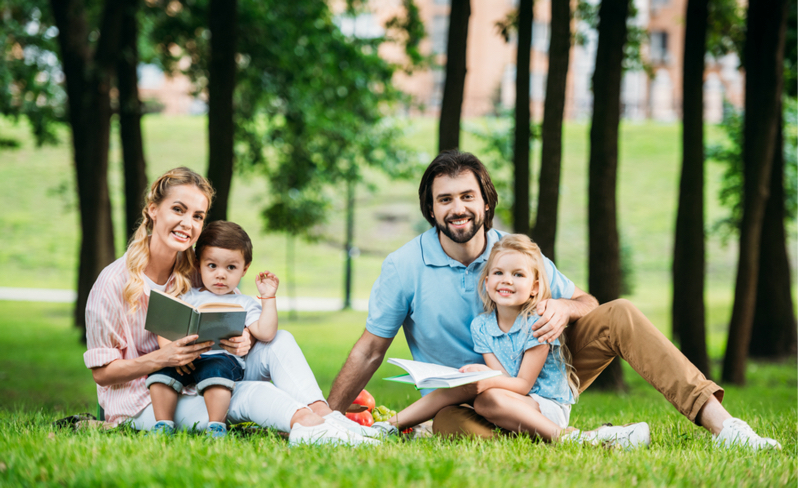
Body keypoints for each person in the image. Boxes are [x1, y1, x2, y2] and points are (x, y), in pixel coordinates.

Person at [328, 150, 781, 450]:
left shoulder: (516, 254)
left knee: (619, 312)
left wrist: (565, 307)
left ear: (486, 202)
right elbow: (371, 348)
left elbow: (585, 300)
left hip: (538, 375)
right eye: (444, 199)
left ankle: (727, 428)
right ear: (431, 210)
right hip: (464, 399)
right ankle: (588, 439)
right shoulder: (404, 266)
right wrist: (329, 417)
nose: (457, 207)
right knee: (452, 426)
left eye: (468, 195)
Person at [84, 167, 377, 446]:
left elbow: (234, 313)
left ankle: (324, 415)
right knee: (251, 393)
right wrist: (163, 358)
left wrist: (245, 337)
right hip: (147, 400)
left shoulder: (196, 268)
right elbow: (102, 373)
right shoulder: (113, 282)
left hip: (207, 372)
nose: (188, 223)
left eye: (198, 216)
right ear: (152, 209)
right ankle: (311, 428)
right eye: (178, 209)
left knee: (280, 340)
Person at [373, 234, 650, 449]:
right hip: (513, 400)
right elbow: (504, 378)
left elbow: (523, 384)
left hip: (545, 404)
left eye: (518, 275)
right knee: (464, 396)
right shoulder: (481, 326)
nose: (507, 281)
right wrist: (483, 378)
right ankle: (388, 426)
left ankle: (569, 437)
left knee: (485, 398)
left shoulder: (536, 322)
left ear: (534, 288)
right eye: (499, 273)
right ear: (487, 279)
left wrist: (485, 379)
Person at [146, 221, 283, 438]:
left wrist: (268, 298)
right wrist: (173, 354)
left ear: (244, 269)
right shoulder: (189, 295)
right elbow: (165, 330)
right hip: (187, 358)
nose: (221, 275)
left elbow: (266, 333)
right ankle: (163, 424)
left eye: (231, 267)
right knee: (160, 373)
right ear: (199, 264)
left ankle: (216, 426)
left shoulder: (244, 303)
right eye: (212, 266)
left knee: (216, 372)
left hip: (223, 359)